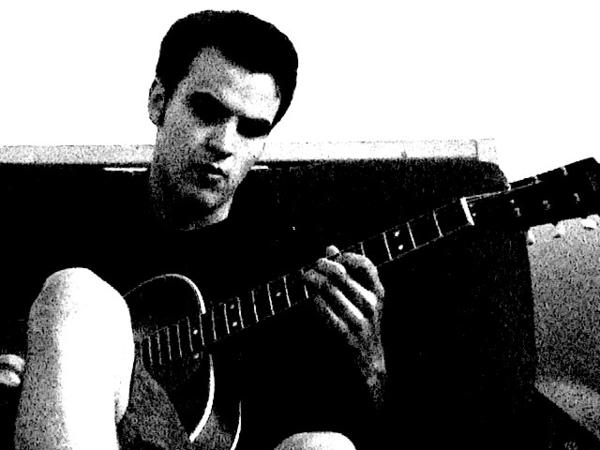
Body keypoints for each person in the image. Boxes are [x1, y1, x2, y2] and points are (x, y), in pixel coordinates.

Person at [1, 10, 386, 449]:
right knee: (73, 292)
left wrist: (369, 364)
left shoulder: (294, 268)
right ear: (158, 102)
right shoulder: (66, 221)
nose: (224, 144)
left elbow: (352, 429)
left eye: (251, 129)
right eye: (207, 111)